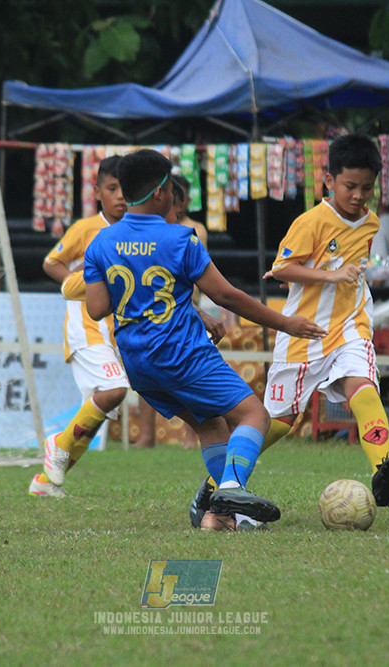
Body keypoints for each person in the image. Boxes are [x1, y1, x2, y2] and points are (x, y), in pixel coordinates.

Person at [80, 149, 327, 531]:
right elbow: (227, 295)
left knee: (211, 425)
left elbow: (97, 309)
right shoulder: (182, 239)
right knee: (254, 415)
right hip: (182, 354)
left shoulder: (100, 243)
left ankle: (220, 517)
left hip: (140, 366)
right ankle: (229, 489)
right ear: (163, 191)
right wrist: (285, 323)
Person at [187, 134, 389, 526]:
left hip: (351, 327)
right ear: (328, 181)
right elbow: (282, 269)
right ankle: (215, 486)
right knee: (277, 423)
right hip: (304, 335)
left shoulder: (371, 222)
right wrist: (332, 274)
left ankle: (383, 467)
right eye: (350, 187)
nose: (359, 196)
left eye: (367, 188)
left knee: (363, 387)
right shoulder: (312, 221)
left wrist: (346, 282)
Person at [28, 155, 129, 498]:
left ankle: (45, 483)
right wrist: (76, 283)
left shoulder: (136, 231)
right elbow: (51, 261)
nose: (120, 196)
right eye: (112, 189)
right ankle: (57, 442)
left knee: (95, 419)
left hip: (117, 333)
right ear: (98, 192)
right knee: (115, 389)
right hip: (86, 325)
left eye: (125, 189)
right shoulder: (86, 229)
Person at [132, 175, 224, 450]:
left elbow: (198, 274)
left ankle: (190, 436)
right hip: (158, 309)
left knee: (190, 373)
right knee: (148, 374)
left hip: (189, 303)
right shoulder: (148, 233)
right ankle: (146, 435)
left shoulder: (193, 230)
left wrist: (192, 306)